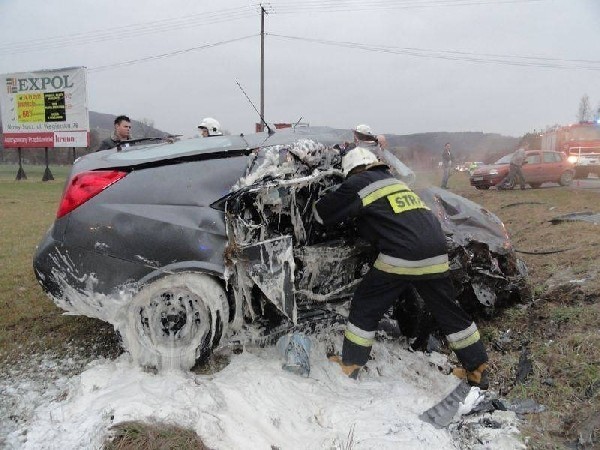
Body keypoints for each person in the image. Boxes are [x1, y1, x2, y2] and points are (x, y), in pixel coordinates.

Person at [313, 146, 489, 388]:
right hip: (437, 249)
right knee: (448, 310)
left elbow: (322, 214)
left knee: (366, 303)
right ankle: (477, 368)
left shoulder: (358, 182)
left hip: (402, 254)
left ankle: (351, 364)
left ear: (351, 171)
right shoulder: (393, 181)